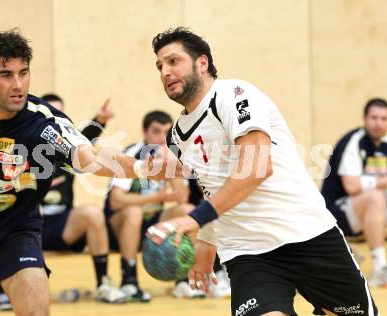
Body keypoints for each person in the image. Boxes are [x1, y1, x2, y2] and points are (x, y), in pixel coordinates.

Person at [147, 27, 379, 316]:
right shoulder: (178, 135)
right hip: (248, 252)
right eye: (160, 66)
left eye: (173, 61)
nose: (165, 71)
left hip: (307, 234)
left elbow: (256, 169)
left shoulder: (234, 95)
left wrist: (194, 220)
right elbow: (212, 185)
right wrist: (207, 244)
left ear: (202, 62)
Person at [0, 30, 148, 315]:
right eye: (6, 74)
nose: (18, 85)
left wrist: (140, 166)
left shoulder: (43, 122)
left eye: (24, 73)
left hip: (12, 230)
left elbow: (87, 155)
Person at [104, 110, 205, 300]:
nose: (161, 138)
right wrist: (156, 197)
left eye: (166, 133)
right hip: (120, 223)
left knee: (188, 211)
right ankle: (129, 282)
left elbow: (182, 199)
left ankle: (183, 280)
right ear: (145, 132)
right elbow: (116, 201)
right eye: (156, 131)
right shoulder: (132, 154)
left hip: (154, 221)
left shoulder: (171, 154)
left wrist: (169, 163)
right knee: (134, 212)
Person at [40, 93, 125, 303]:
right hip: (31, 224)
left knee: (92, 213)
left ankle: (103, 283)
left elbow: (84, 141)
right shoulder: (25, 146)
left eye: (58, 112)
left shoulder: (66, 151)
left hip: (62, 224)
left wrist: (100, 119)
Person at [321, 98, 387, 288]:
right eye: (374, 118)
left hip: (366, 211)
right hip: (337, 213)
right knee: (375, 197)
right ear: (365, 119)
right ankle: (380, 267)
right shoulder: (354, 141)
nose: (378, 123)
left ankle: (347, 253)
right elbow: (351, 186)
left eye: (383, 119)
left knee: (376, 197)